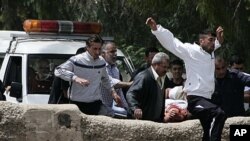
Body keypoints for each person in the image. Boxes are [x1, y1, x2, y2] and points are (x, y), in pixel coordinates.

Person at [146, 17, 226, 141]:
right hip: (196, 100)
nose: (213, 43)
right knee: (219, 114)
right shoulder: (191, 51)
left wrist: (219, 41)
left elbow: (215, 45)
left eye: (214, 40)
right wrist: (157, 30)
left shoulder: (210, 51)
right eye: (210, 40)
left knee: (208, 129)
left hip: (208, 98)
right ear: (201, 41)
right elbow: (172, 43)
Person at [54, 35, 121, 115]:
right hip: (77, 104)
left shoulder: (101, 62)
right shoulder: (77, 60)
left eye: (99, 49)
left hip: (96, 104)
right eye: (94, 49)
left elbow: (105, 79)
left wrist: (113, 92)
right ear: (87, 48)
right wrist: (75, 78)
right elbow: (58, 70)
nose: (97, 52)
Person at [126, 52, 170, 122]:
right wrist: (135, 108)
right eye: (164, 67)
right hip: (143, 123)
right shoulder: (144, 77)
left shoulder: (162, 78)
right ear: (156, 64)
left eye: (167, 67)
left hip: (156, 122)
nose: (166, 70)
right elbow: (131, 93)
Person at [101, 42, 132, 117]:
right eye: (112, 52)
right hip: (100, 106)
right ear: (103, 54)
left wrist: (126, 107)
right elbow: (111, 82)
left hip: (110, 107)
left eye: (115, 51)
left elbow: (119, 90)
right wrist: (130, 84)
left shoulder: (115, 69)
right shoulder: (100, 66)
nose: (115, 54)